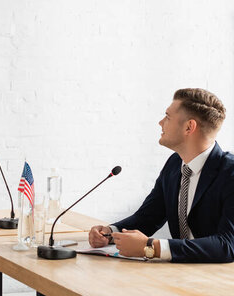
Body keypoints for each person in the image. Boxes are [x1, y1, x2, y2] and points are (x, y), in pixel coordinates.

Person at [89, 88, 234, 262]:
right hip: (180, 274)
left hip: (221, 280)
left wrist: (152, 246)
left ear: (189, 127)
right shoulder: (174, 164)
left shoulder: (230, 172)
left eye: (167, 117)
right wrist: (110, 233)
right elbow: (148, 217)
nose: (160, 122)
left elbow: (227, 245)